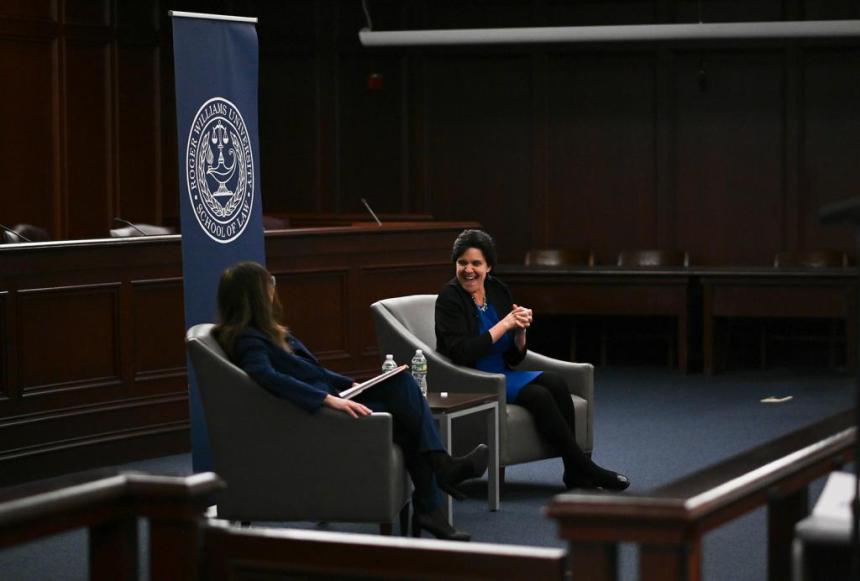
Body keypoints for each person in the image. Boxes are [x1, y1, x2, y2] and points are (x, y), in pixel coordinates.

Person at [213, 261, 488, 541]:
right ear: (255, 294)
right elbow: (265, 376)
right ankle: (439, 483)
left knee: (402, 388)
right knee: (408, 413)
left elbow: (315, 371)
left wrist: (351, 384)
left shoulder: (267, 333)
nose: (273, 288)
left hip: (331, 399)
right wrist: (327, 399)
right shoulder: (248, 339)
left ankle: (434, 497)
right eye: (268, 283)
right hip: (317, 417)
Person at [435, 229, 629, 491]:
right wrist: (505, 325)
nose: (468, 270)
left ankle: (574, 471)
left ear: (488, 266)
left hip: (502, 371)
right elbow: (462, 352)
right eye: (462, 263)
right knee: (539, 396)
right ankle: (585, 468)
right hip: (472, 376)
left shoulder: (497, 290)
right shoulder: (449, 298)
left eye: (476, 263)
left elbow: (514, 358)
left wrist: (520, 333)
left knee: (556, 383)